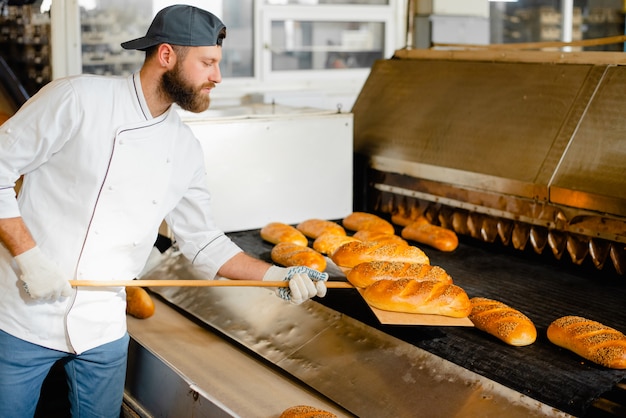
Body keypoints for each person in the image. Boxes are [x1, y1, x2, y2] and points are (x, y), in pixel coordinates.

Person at [0, 5, 328, 417]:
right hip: (19, 316)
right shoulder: (78, 98)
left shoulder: (184, 149)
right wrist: (29, 258)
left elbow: (204, 242)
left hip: (102, 328)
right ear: (167, 56)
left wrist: (276, 276)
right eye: (208, 63)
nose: (217, 77)